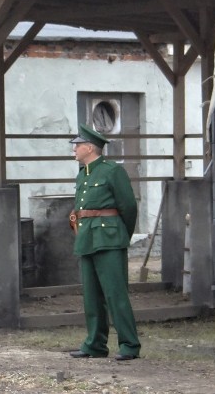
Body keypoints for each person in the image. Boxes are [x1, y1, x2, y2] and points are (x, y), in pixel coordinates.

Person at [67, 124, 141, 361]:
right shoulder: (83, 174)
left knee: (115, 293)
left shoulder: (111, 171)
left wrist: (120, 235)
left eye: (77, 146)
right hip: (87, 238)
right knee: (91, 296)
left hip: (109, 238)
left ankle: (129, 344)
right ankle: (95, 344)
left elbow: (128, 207)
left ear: (89, 147)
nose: (74, 150)